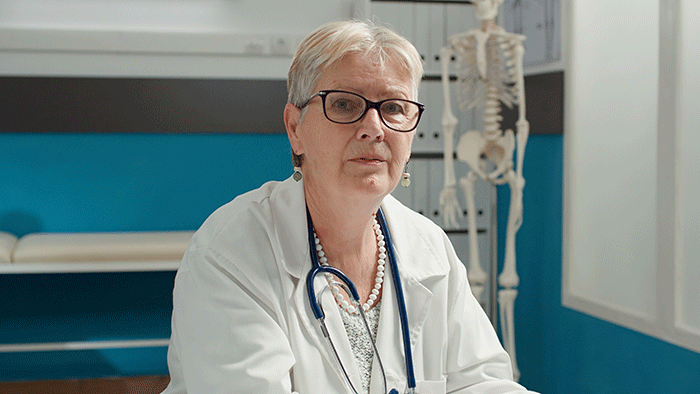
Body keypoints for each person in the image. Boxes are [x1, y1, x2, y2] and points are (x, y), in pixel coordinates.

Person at [162, 20, 535, 394]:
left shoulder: (429, 248)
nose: (374, 128)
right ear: (295, 128)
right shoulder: (231, 254)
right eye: (344, 104)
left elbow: (482, 382)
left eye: (393, 108)